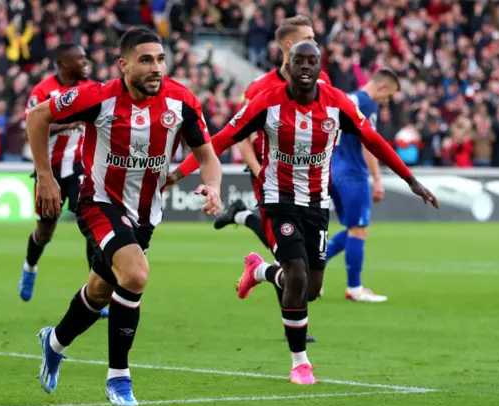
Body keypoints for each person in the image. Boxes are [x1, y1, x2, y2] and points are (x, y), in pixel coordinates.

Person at [168, 41, 438, 385]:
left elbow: (373, 140)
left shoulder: (337, 103)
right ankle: (300, 363)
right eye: (300, 61)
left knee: (310, 288)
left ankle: (261, 270)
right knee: (296, 273)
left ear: (319, 66)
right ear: (289, 65)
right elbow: (220, 140)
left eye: (313, 61)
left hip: (315, 204)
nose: (306, 67)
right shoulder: (266, 103)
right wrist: (178, 173)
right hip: (276, 199)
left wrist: (410, 179)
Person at [26, 28, 222, 406]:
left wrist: (212, 186)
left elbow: (207, 156)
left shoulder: (181, 102)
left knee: (100, 290)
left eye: (161, 59)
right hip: (99, 201)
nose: (156, 67)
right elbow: (37, 115)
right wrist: (46, 177)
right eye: (146, 60)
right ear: (124, 64)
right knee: (135, 275)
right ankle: (119, 376)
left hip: (145, 214)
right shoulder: (97, 98)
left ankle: (54, 342)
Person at [167, 14, 330, 344]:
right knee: (289, 255)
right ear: (289, 44)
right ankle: (297, 332)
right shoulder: (260, 88)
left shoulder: (320, 78)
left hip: (308, 185)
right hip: (269, 178)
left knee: (305, 275)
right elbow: (238, 133)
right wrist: (256, 168)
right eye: (309, 36)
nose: (315, 42)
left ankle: (253, 250)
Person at [17, 42, 99, 308]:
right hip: (48, 171)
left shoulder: (91, 89)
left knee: (91, 224)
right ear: (64, 63)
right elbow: (31, 126)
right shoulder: (43, 91)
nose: (86, 62)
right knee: (45, 231)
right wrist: (69, 123)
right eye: (80, 58)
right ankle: (30, 267)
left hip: (79, 167)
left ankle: (95, 290)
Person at [327, 70, 401, 302]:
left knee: (351, 228)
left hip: (331, 170)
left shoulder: (347, 98)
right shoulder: (367, 104)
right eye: (388, 95)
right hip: (353, 172)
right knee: (359, 229)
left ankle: (311, 268)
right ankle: (355, 288)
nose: (386, 101)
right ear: (381, 87)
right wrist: (377, 179)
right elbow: (369, 144)